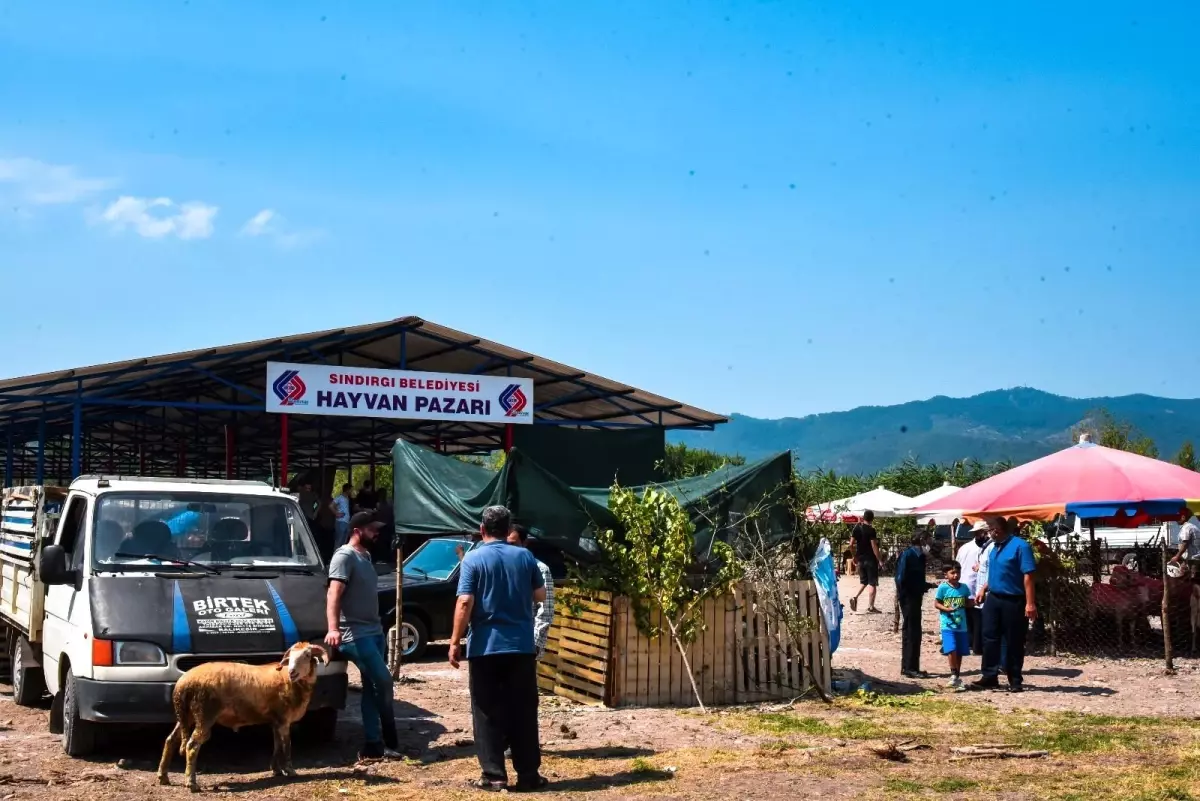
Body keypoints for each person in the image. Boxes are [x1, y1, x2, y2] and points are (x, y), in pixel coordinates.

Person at [450, 506, 548, 792]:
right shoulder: (526, 557)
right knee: (524, 711)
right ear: (508, 531)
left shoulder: (473, 560)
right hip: (520, 646)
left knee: (487, 711)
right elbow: (540, 595)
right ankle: (529, 775)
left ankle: (494, 776)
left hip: (485, 647)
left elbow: (465, 602)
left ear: (482, 530)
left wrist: (455, 642)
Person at [325, 511, 401, 760]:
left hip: (374, 631)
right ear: (357, 530)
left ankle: (373, 745)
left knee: (372, 687)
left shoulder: (366, 556)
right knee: (384, 681)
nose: (376, 533)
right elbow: (334, 594)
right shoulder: (344, 556)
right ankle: (391, 739)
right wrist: (333, 629)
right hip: (355, 634)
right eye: (372, 529)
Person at [973, 515, 1037, 693]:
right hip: (994, 598)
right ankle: (989, 675)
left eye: (990, 528)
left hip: (1014, 599)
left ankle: (1015, 679)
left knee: (1013, 640)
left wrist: (1030, 603)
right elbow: (995, 572)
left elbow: (1029, 576)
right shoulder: (994, 548)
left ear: (998, 529)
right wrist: (984, 588)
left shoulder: (1020, 546)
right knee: (989, 637)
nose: (988, 532)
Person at [507, 524, 555, 659]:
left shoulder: (539, 569)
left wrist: (535, 642)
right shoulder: (500, 568)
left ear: (525, 543)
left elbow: (546, 609)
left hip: (525, 644)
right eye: (506, 544)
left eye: (513, 544)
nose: (509, 549)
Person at [895, 531, 936, 678]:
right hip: (909, 598)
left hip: (915, 596)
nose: (930, 543)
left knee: (913, 631)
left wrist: (927, 585)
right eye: (928, 540)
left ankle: (909, 666)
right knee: (912, 631)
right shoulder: (909, 555)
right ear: (922, 540)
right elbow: (901, 579)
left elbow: (916, 579)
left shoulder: (920, 557)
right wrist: (906, 596)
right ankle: (910, 668)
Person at [934, 562, 973, 690]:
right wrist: (946, 609)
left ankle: (957, 675)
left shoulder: (964, 588)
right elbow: (936, 603)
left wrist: (976, 601)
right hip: (947, 625)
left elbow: (968, 603)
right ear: (946, 575)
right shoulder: (943, 588)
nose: (956, 575)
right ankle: (953, 673)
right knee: (951, 648)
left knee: (960, 651)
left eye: (958, 573)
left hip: (961, 625)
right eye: (952, 573)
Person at [956, 520, 990, 655]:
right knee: (972, 618)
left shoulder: (986, 547)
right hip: (970, 586)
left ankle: (974, 645)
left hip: (975, 587)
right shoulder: (969, 548)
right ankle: (973, 644)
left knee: (974, 618)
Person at [848, 511, 883, 613]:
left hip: (860, 560)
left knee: (864, 581)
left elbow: (850, 545)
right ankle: (871, 607)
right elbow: (874, 546)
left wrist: (854, 556)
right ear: (872, 519)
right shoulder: (871, 530)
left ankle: (855, 597)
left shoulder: (857, 528)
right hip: (870, 560)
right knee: (872, 583)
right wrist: (880, 560)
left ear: (863, 518)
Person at [1169, 512, 1200, 576]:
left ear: (1183, 517)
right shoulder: (1191, 526)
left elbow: (1185, 543)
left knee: (1193, 578)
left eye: (1177, 518)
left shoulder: (1186, 528)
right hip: (1194, 557)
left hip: (1193, 559)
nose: (1175, 520)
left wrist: (1177, 556)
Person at [331, 483, 352, 549]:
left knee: (343, 541)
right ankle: (335, 555)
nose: (351, 491)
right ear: (347, 490)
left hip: (346, 522)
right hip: (340, 522)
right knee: (339, 540)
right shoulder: (340, 498)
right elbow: (331, 506)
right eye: (350, 489)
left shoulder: (347, 498)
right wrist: (336, 513)